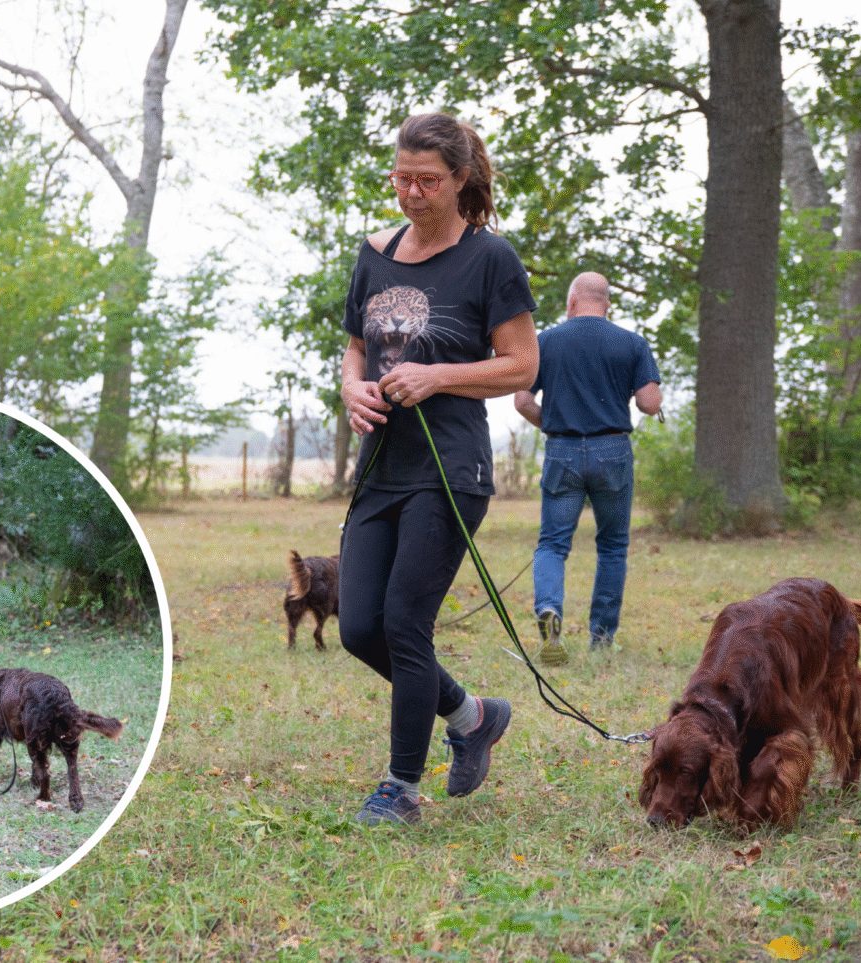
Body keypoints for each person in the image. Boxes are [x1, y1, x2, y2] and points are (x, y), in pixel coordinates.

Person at [339, 112, 539, 826]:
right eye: (401, 179)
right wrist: (351, 387)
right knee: (358, 626)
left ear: (460, 179)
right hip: (381, 464)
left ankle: (400, 787)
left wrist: (438, 377)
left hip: (450, 468)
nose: (412, 193)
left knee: (404, 623)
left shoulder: (491, 258)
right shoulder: (373, 253)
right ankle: (472, 715)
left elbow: (522, 364)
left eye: (427, 181)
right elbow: (357, 347)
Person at [512, 272, 662, 665]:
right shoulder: (631, 343)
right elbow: (648, 403)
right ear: (607, 302)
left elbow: (522, 402)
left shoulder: (545, 341)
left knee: (552, 544)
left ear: (571, 301)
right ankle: (601, 640)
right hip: (612, 451)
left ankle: (549, 608)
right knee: (612, 546)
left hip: (561, 449)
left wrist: (556, 426)